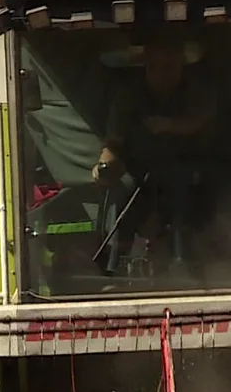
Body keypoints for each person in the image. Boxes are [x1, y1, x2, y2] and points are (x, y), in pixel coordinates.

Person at [92, 35, 218, 272]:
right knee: (123, 193)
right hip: (139, 170)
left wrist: (170, 126)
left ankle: (186, 262)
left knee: (183, 185)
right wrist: (105, 166)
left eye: (169, 66)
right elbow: (114, 141)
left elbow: (202, 121)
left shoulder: (197, 91)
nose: (162, 73)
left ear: (181, 64)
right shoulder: (128, 96)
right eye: (154, 66)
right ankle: (114, 265)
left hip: (189, 167)